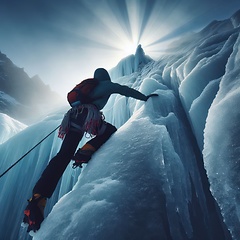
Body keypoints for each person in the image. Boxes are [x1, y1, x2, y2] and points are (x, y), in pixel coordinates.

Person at [23, 68, 158, 232]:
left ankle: (38, 199)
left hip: (72, 117)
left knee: (63, 156)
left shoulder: (88, 87)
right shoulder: (105, 84)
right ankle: (85, 151)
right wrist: (145, 98)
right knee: (109, 130)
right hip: (87, 116)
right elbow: (124, 90)